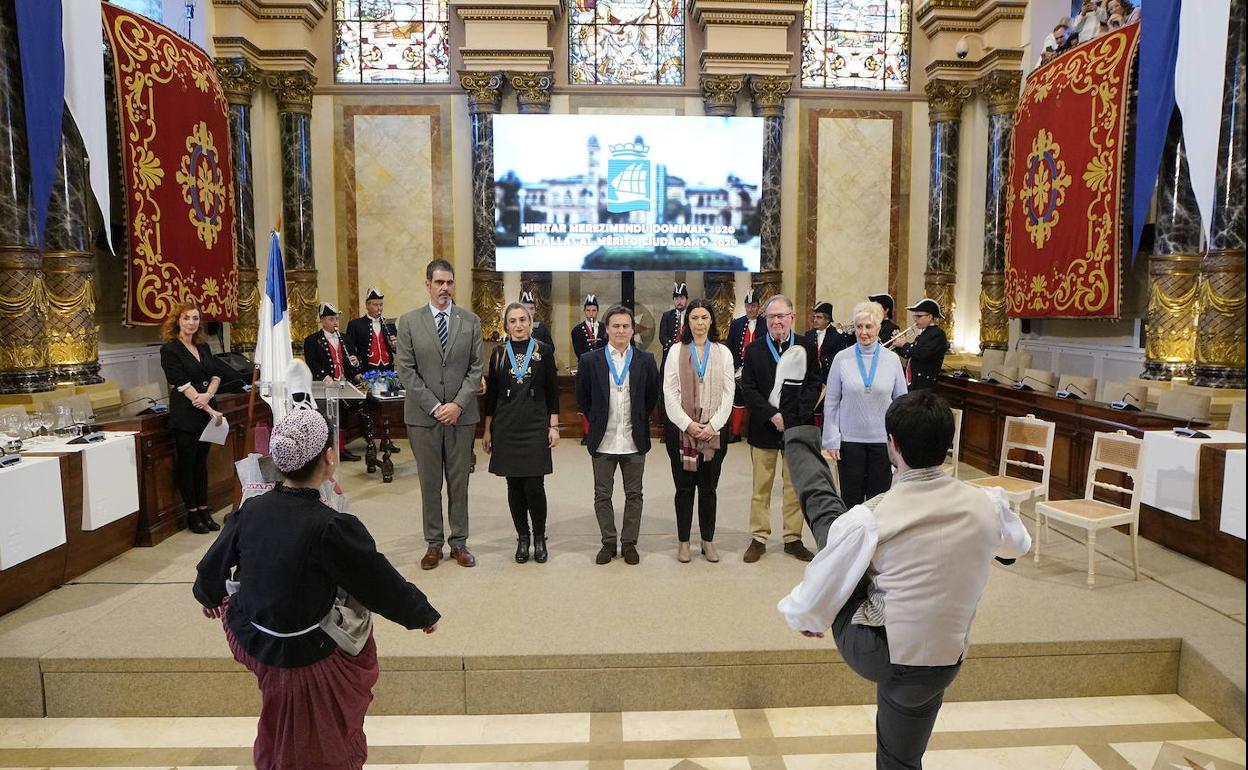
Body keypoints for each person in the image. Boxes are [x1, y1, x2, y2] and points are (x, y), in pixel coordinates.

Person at [778, 389, 1031, 770]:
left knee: (829, 517)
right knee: (902, 758)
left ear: (891, 444)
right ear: (948, 445)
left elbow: (819, 589)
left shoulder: (873, 516)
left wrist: (809, 617)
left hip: (880, 652)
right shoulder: (989, 503)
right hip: (946, 658)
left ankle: (798, 434)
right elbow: (1017, 548)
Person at [194, 407, 440, 770]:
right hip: (308, 650)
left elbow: (212, 565)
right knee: (320, 741)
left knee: (279, 718)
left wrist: (209, 594)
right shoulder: (331, 526)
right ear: (329, 459)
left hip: (255, 637)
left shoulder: (252, 509)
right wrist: (419, 613)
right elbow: (378, 582)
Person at [395, 258, 485, 570]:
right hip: (423, 418)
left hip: (462, 416)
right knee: (430, 482)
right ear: (428, 285)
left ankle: (459, 543)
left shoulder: (470, 321)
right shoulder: (408, 322)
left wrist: (458, 404)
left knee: (459, 482)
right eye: (439, 282)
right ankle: (433, 544)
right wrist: (435, 406)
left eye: (449, 282)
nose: (444, 288)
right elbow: (405, 370)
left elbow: (476, 369)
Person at [738, 295, 820, 563]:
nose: (776, 321)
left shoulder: (807, 346)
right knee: (760, 487)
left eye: (781, 316)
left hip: (796, 428)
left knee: (794, 486)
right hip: (764, 428)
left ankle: (792, 538)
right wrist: (772, 415)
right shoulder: (754, 350)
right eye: (771, 317)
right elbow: (748, 389)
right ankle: (759, 537)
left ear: (792, 318)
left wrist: (793, 416)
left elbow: (814, 384)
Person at [576, 304, 660, 566]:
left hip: (634, 438)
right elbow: (583, 399)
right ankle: (608, 542)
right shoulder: (590, 360)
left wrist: (638, 418)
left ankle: (629, 543)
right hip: (604, 438)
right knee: (603, 494)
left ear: (632, 329)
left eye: (625, 326)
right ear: (606, 329)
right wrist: (598, 420)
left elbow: (651, 396)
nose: (621, 330)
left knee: (634, 494)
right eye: (616, 326)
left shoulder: (645, 360)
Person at [483, 302, 560, 564]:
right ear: (506, 325)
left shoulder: (544, 351)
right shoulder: (498, 353)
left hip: (535, 423)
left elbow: (553, 392)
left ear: (531, 322)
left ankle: (539, 536)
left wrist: (554, 426)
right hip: (506, 425)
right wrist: (487, 430)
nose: (518, 325)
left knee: (534, 486)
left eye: (523, 320)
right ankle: (522, 537)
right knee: (514, 485)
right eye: (513, 321)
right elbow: (492, 394)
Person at [662, 299, 736, 563]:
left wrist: (713, 425)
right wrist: (689, 425)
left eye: (704, 317)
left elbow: (729, 394)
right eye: (694, 318)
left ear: (711, 321)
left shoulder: (723, 352)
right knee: (683, 489)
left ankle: (707, 540)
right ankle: (684, 542)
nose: (700, 323)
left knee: (708, 489)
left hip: (714, 434)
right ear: (687, 322)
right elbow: (669, 393)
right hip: (682, 433)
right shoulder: (676, 352)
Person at [823, 301, 908, 508]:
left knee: (878, 501)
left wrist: (901, 441)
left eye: (868, 327)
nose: (863, 332)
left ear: (879, 328)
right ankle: (852, 540)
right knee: (851, 501)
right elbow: (832, 401)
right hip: (849, 442)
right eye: (858, 327)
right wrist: (832, 438)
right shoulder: (842, 358)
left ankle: (876, 541)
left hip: (883, 442)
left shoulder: (892, 360)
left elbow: (902, 403)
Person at [159, 300, 232, 534]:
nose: (191, 323)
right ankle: (192, 514)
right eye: (186, 318)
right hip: (187, 413)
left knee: (202, 464)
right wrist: (207, 406)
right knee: (187, 464)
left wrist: (209, 395)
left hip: (205, 408)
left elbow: (216, 373)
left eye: (195, 318)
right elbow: (180, 382)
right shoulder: (170, 349)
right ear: (177, 321)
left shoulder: (204, 347)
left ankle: (204, 509)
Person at [303, 303, 364, 462]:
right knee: (326, 419)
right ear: (322, 320)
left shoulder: (345, 338)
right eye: (331, 319)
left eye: (337, 319)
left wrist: (355, 364)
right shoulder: (312, 340)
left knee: (342, 417)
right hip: (325, 387)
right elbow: (312, 363)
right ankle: (327, 451)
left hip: (343, 385)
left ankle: (341, 449)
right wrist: (324, 376)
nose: (335, 322)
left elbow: (354, 360)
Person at [725, 289, 762, 442]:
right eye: (747, 306)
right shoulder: (736, 324)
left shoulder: (766, 323)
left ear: (758, 306)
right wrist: (733, 365)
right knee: (738, 400)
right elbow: (730, 346)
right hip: (739, 369)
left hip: (759, 370)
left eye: (753, 306)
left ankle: (756, 431)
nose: (750, 309)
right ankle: (735, 432)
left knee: (758, 400)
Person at [894, 298, 949, 392]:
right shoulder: (924, 333)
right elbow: (911, 355)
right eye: (915, 316)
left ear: (930, 317)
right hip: (914, 383)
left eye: (919, 316)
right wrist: (898, 345)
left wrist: (904, 345)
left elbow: (923, 354)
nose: (915, 320)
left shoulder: (938, 334)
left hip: (925, 386)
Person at [345, 287, 397, 374]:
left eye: (381, 305)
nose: (379, 308)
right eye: (375, 305)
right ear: (367, 305)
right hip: (366, 371)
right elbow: (350, 350)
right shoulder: (355, 325)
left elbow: (397, 349)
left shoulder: (389, 324)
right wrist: (355, 373)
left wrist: (395, 346)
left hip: (387, 370)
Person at [805, 301, 850, 385]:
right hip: (811, 380)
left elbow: (840, 356)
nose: (815, 320)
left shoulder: (838, 336)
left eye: (819, 317)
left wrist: (822, 361)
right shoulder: (808, 335)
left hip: (830, 379)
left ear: (827, 319)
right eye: (814, 317)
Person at [570, 293, 606, 360]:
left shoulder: (605, 328)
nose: (591, 313)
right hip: (585, 365)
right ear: (584, 311)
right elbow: (579, 351)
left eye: (594, 310)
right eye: (588, 310)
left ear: (598, 311)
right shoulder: (577, 330)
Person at [658, 282, 690, 357]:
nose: (679, 302)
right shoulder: (667, 316)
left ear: (686, 299)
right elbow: (662, 336)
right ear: (673, 300)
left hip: (688, 353)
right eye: (676, 299)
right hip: (670, 353)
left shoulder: (691, 316)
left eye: (682, 298)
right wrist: (674, 347)